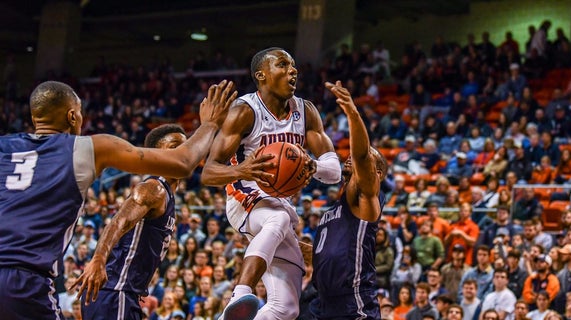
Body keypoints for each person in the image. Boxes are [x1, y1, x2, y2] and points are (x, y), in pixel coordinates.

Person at [0, 80, 234, 319]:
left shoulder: (3, 146)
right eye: (80, 113)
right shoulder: (88, 148)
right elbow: (184, 163)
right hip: (27, 280)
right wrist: (211, 123)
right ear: (72, 116)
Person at [200, 48, 340, 320]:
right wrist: (243, 169)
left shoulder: (305, 111)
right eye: (283, 65)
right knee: (276, 219)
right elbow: (208, 172)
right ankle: (240, 294)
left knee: (286, 308)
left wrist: (313, 165)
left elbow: (334, 171)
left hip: (279, 203)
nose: (293, 70)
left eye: (294, 66)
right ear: (261, 76)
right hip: (244, 196)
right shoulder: (244, 111)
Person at [74, 123, 220, 319]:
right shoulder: (154, 188)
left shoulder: (167, 195)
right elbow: (118, 222)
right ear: (156, 154)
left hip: (125, 293)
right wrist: (98, 258)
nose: (183, 153)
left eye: (185, 147)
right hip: (115, 290)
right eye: (174, 147)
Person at [310, 80, 388, 319]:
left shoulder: (365, 197)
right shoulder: (332, 210)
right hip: (323, 302)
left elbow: (362, 155)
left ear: (378, 174)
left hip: (352, 303)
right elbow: (323, 252)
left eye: (360, 160)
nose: (349, 157)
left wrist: (353, 113)